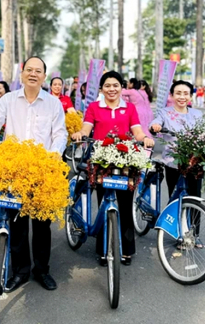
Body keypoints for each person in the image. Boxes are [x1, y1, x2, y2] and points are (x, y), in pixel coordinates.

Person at [0, 56, 68, 292]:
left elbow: (60, 133)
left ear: (44, 76)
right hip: (13, 170)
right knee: (17, 223)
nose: (33, 74)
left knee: (42, 225)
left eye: (38, 71)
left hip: (42, 170)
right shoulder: (9, 100)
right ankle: (21, 271)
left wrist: (55, 154)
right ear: (22, 74)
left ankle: (42, 270)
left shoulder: (53, 103)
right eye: (29, 70)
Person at [71, 71, 155, 266]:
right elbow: (86, 128)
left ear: (121, 87)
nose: (111, 89)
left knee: (125, 205)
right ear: (101, 88)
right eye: (107, 85)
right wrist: (80, 134)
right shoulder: (93, 107)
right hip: (101, 160)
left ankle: (126, 250)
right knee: (103, 202)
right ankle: (102, 249)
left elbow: (137, 131)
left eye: (115, 85)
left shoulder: (130, 108)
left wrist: (145, 139)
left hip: (126, 160)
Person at [150, 80, 204, 248]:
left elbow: (203, 135)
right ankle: (179, 234)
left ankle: (194, 234)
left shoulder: (197, 114)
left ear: (190, 96)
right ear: (172, 96)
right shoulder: (164, 113)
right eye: (178, 93)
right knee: (177, 198)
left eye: (185, 93)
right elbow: (154, 124)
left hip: (194, 163)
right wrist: (156, 126)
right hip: (173, 163)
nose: (182, 97)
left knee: (194, 199)